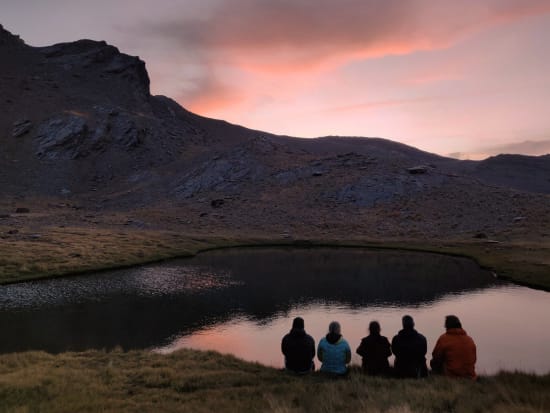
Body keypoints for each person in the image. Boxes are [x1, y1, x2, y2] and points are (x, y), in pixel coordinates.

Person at [430, 315, 477, 379]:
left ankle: (437, 376)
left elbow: (436, 356)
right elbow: (474, 358)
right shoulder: (469, 339)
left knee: (434, 362)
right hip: (470, 375)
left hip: (452, 376)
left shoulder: (444, 338)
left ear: (447, 326)